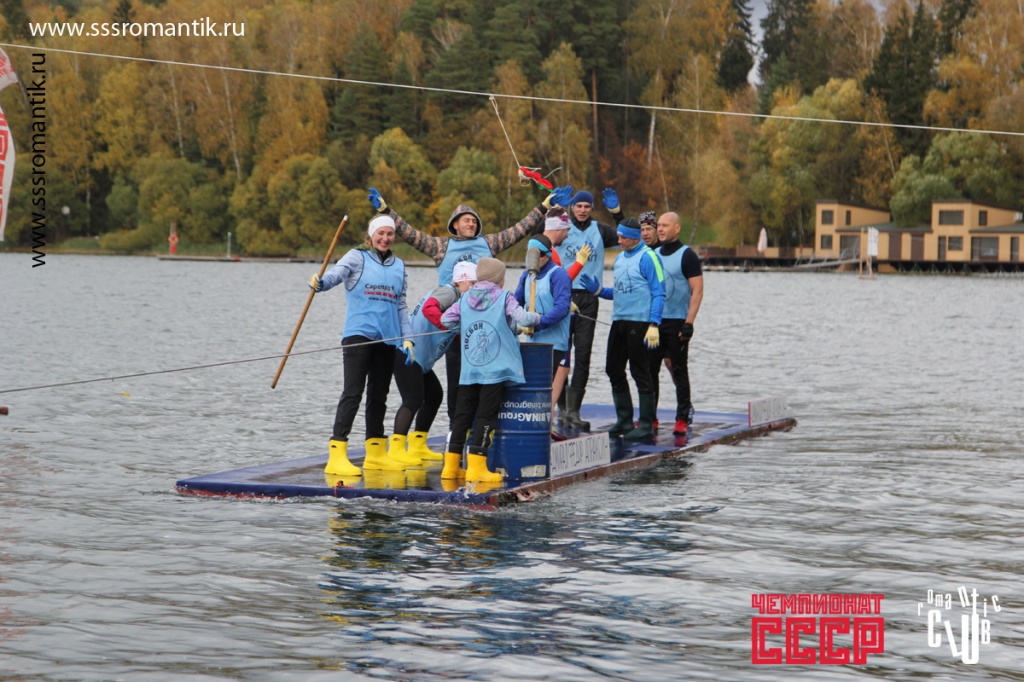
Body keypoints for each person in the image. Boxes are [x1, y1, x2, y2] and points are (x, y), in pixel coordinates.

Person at [367, 185, 574, 426]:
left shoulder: (488, 243)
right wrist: (386, 210)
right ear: (455, 224)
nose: (472, 224)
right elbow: (409, 233)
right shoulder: (440, 247)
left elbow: (519, 229)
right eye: (466, 220)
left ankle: (482, 426)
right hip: (457, 322)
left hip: (488, 322)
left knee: (487, 379)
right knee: (457, 379)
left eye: (474, 221)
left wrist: (543, 207)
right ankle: (455, 427)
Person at [311, 214, 415, 479]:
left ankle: (376, 454)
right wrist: (322, 283)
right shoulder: (357, 256)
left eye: (390, 234)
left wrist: (408, 338)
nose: (385, 238)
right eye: (381, 233)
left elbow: (401, 305)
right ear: (371, 235)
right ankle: (337, 454)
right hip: (358, 334)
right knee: (353, 392)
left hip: (388, 339)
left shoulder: (399, 265)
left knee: (379, 395)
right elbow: (336, 275)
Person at [439, 258, 541, 485]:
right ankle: (477, 469)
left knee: (462, 417)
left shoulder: (465, 298)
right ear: (498, 279)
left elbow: (446, 319)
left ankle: (451, 468)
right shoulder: (505, 297)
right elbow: (523, 318)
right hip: (494, 370)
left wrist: (462, 326)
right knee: (486, 415)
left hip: (470, 370)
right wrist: (537, 317)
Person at [579, 217, 665, 440]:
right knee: (613, 368)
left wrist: (654, 323)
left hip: (640, 322)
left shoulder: (648, 257)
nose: (618, 240)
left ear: (635, 238)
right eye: (618, 236)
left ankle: (646, 423)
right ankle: (624, 420)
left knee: (640, 371)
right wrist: (599, 291)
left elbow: (659, 292)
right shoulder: (619, 258)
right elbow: (620, 291)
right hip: (619, 321)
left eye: (623, 237)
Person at [386, 261, 478, 465]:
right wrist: (448, 325)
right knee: (413, 399)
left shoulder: (459, 300)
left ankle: (418, 444)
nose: (474, 289)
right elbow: (429, 308)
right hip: (406, 353)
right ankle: (396, 448)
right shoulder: (449, 292)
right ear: (461, 280)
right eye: (472, 283)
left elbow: (454, 333)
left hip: (421, 361)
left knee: (434, 395)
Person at [553, 188, 625, 430]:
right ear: (572, 207)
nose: (582, 210)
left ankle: (574, 411)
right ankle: (561, 409)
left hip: (589, 298)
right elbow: (540, 232)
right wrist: (555, 208)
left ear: (591, 208)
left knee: (583, 354)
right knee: (560, 354)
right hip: (562, 295)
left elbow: (627, 235)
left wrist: (617, 212)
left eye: (586, 206)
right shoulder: (562, 227)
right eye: (578, 206)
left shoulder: (600, 230)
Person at [513, 233, 574, 424]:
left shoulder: (559, 275)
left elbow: (562, 308)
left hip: (554, 344)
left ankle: (546, 426)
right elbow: (515, 303)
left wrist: (538, 324)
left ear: (547, 254)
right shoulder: (526, 275)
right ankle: (533, 426)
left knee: (545, 389)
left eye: (537, 254)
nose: (533, 258)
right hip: (532, 342)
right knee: (531, 387)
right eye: (529, 253)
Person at [655, 211, 704, 436]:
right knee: (650, 371)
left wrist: (689, 322)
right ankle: (650, 418)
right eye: (659, 225)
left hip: (677, 321)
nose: (660, 229)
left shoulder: (687, 255)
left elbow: (697, 290)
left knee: (678, 369)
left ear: (677, 228)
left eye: (665, 225)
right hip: (655, 321)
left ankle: (682, 418)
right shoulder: (654, 254)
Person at [638, 210, 664, 430]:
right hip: (642, 319)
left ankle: (684, 409)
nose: (645, 233)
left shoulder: (662, 252)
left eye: (649, 229)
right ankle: (650, 416)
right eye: (642, 230)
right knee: (647, 369)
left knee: (672, 366)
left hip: (665, 318)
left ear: (657, 230)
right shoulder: (639, 252)